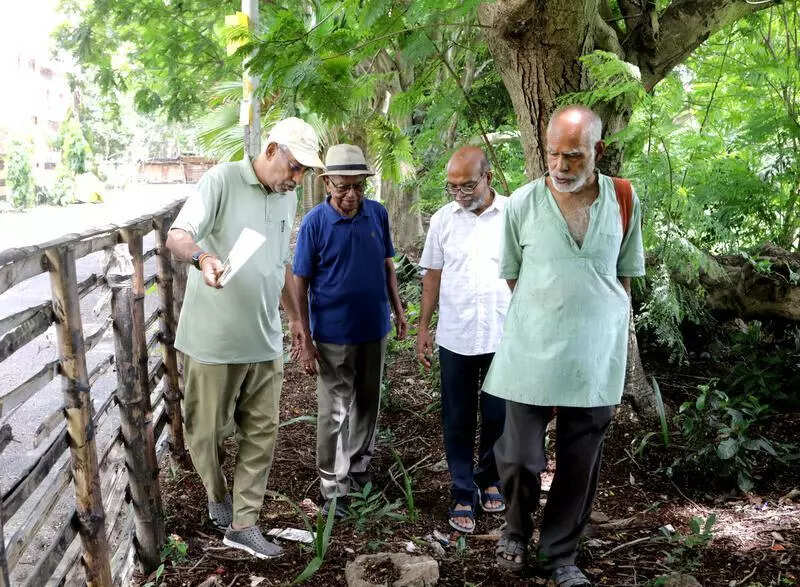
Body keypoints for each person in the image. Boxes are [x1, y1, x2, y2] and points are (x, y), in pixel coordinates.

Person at [486, 105, 646, 585]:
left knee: (580, 461)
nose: (560, 165)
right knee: (519, 456)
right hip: (530, 350)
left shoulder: (623, 198)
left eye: (573, 156)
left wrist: (605, 331)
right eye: (553, 154)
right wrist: (549, 310)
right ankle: (515, 531)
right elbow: (513, 275)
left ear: (598, 150)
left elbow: (624, 276)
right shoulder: (522, 203)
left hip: (594, 355)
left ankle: (559, 554)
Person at [166, 117, 324, 560]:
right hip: (213, 341)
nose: (298, 179)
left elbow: (279, 263)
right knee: (206, 433)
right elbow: (177, 236)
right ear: (271, 150)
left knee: (262, 433)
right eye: (295, 167)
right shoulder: (222, 180)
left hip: (264, 338)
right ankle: (217, 496)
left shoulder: (286, 196)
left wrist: (296, 318)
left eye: (304, 171)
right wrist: (203, 259)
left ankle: (244, 523)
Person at [292, 144, 408, 517]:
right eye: (343, 187)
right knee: (335, 410)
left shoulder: (377, 214)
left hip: (374, 328)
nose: (351, 195)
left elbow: (387, 265)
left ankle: (358, 469)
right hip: (333, 333)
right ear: (327, 183)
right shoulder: (315, 223)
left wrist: (398, 310)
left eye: (358, 186)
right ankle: (333, 485)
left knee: (368, 402)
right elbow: (300, 281)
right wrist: (305, 336)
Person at [416, 146, 509, 533]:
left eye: (467, 185)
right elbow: (432, 276)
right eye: (452, 187)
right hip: (456, 335)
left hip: (502, 334)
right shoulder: (443, 220)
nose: (460, 194)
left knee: (498, 414)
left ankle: (490, 478)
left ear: (488, 177)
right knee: (457, 416)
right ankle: (461, 490)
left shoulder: (512, 215)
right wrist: (423, 327)